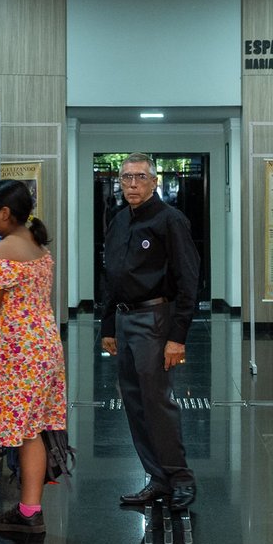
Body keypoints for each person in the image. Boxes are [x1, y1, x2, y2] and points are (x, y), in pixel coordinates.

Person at [0, 180, 68, 534]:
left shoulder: (3, 251)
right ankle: (30, 511)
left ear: (5, 214)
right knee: (32, 430)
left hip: (13, 350)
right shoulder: (37, 244)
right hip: (44, 346)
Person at [99, 154, 200, 511]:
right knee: (134, 403)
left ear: (154, 181)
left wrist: (178, 336)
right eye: (126, 178)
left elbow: (189, 279)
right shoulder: (117, 220)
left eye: (140, 177)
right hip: (125, 322)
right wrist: (107, 324)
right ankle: (157, 478)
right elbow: (111, 274)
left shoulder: (170, 220)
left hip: (155, 319)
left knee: (157, 404)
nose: (132, 185)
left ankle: (180, 478)